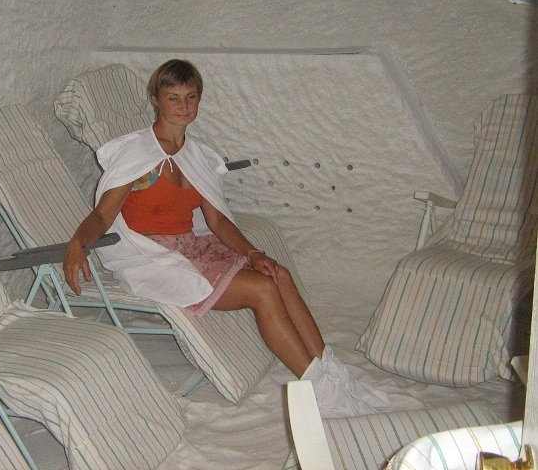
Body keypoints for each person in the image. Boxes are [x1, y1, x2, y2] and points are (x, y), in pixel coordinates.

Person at [63, 59, 389, 417]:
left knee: (277, 274)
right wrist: (78, 243)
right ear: (155, 99)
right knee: (261, 290)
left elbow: (216, 219)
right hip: (151, 257)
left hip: (190, 245)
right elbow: (103, 215)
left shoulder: (196, 155)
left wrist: (254, 253)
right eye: (173, 98)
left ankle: (331, 372)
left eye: (191, 97)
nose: (183, 106)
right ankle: (318, 390)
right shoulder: (136, 152)